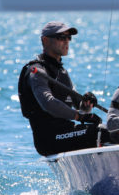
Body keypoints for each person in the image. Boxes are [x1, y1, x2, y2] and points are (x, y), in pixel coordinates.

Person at [18, 21, 110, 156]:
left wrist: (85, 104)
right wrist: (79, 117)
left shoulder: (62, 72)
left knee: (115, 130)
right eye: (61, 38)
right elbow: (48, 103)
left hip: (67, 132)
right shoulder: (37, 72)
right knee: (102, 132)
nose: (66, 42)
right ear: (45, 40)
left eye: (69, 38)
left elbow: (80, 106)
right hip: (49, 139)